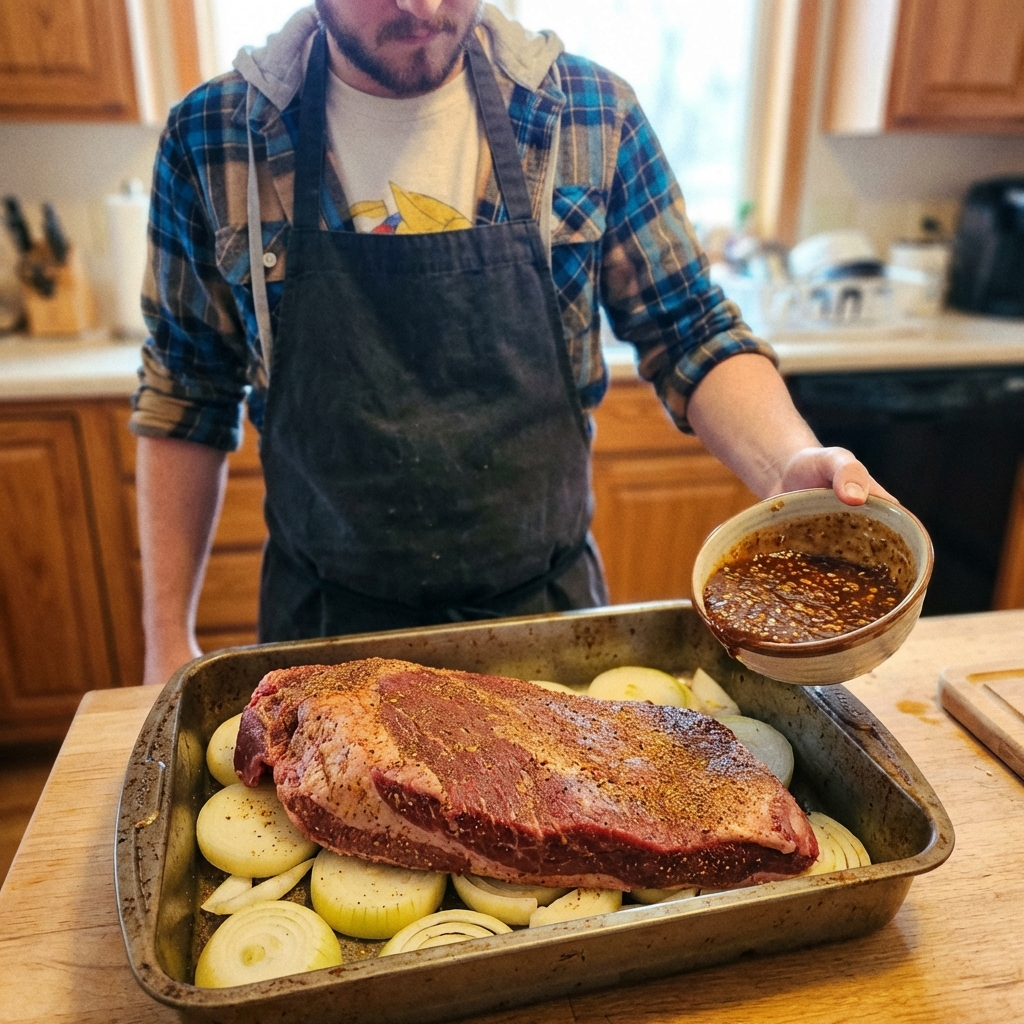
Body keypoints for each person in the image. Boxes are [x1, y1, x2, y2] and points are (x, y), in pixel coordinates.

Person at [132, 0, 892, 686]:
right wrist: (167, 639)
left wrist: (786, 463)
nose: (422, 5)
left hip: (549, 629)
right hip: (326, 631)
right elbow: (186, 392)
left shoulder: (591, 116)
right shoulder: (216, 135)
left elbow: (689, 326)